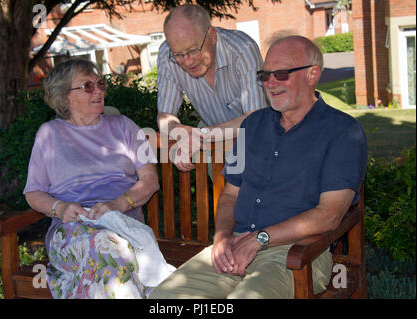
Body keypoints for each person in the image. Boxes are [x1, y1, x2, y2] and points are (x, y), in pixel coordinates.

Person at [149, 35, 368, 299]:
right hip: (235, 244)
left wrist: (259, 239)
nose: (271, 83)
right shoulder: (252, 126)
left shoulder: (342, 132)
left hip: (299, 252)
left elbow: (329, 215)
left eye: (282, 73)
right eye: (265, 75)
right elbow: (230, 194)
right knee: (163, 298)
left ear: (312, 75)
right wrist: (221, 238)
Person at [23, 58, 162, 299]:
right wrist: (60, 207)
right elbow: (33, 192)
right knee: (110, 248)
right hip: (72, 230)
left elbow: (150, 181)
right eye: (87, 86)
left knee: (113, 255)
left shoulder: (124, 127)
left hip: (123, 223)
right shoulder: (50, 134)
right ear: (65, 97)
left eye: (100, 83)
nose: (98, 90)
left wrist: (118, 204)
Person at [157, 4, 268, 172]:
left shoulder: (242, 49)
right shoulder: (167, 55)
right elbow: (165, 116)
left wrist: (201, 135)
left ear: (212, 35)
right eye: (179, 54)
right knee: (225, 197)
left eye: (193, 50)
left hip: (259, 143)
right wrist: (178, 131)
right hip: (213, 143)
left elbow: (256, 118)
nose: (187, 61)